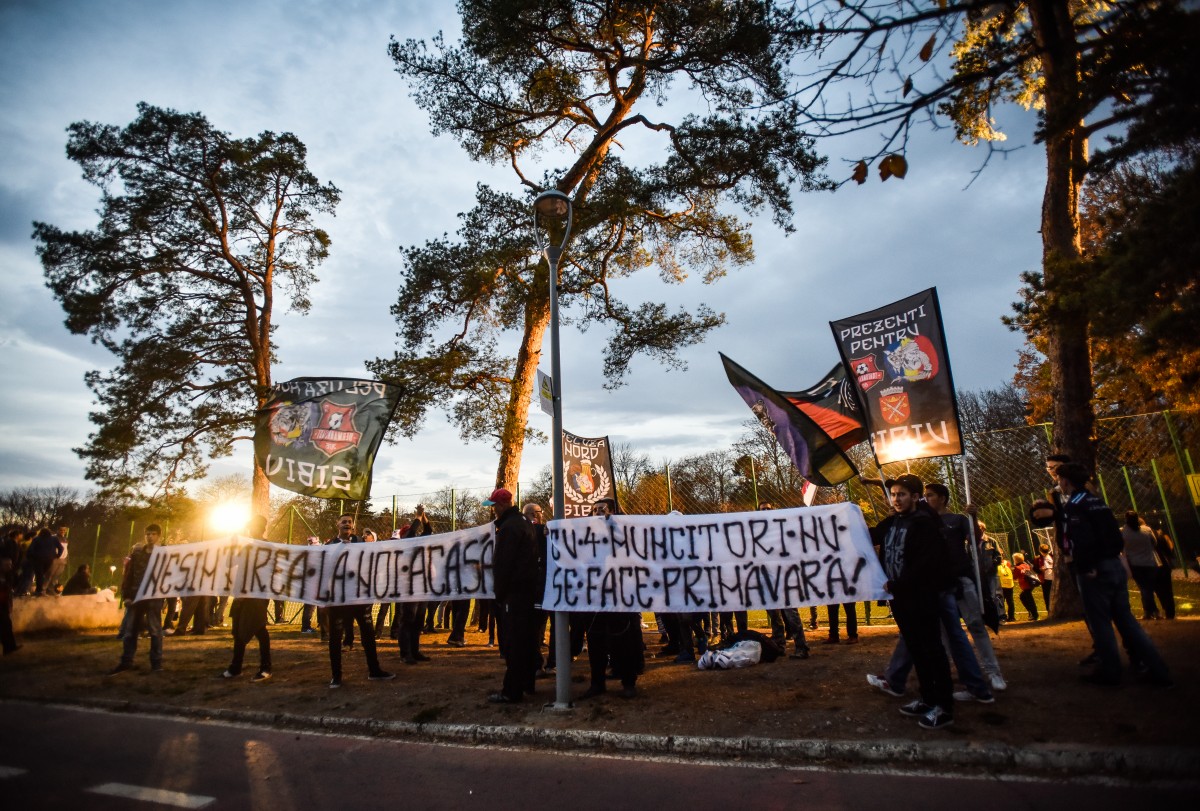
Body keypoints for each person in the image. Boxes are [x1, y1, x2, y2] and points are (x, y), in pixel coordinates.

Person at [1055, 462, 1171, 687]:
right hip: (1114, 564)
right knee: (1128, 622)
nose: (1059, 482)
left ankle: (1110, 672)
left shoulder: (1075, 505)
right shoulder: (1098, 502)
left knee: (1101, 623)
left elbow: (1083, 539)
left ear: (1066, 481)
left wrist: (1087, 565)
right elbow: (1117, 539)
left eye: (1060, 479)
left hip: (1096, 569)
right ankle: (1159, 671)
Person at [873, 474, 955, 730]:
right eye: (894, 494)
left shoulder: (924, 523)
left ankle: (943, 707)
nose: (896, 499)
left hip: (921, 597)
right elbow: (872, 534)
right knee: (917, 649)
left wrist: (898, 584)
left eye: (902, 494)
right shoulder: (896, 521)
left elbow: (925, 564)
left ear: (916, 497)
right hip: (901, 599)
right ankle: (927, 698)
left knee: (932, 650)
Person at [578, 498, 645, 700]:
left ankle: (628, 681)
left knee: (622, 640)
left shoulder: (624, 528)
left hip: (619, 595)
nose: (597, 513)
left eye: (602, 509)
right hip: (595, 595)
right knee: (595, 639)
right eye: (594, 510)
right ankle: (597, 683)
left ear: (613, 511)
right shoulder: (587, 531)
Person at [324, 513, 394, 687]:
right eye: (343, 522)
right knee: (335, 638)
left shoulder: (362, 545)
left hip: (359, 598)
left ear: (353, 526)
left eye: (350, 522)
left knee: (368, 635)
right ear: (337, 524)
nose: (347, 524)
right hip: (338, 600)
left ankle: (374, 670)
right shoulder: (329, 546)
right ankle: (336, 676)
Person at [485, 488, 540, 703]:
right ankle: (527, 683)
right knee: (527, 640)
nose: (493, 511)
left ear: (502, 505)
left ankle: (511, 690)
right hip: (526, 591)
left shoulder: (509, 528)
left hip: (514, 594)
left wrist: (499, 595)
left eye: (494, 506)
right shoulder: (524, 523)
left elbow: (504, 564)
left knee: (514, 642)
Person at [107, 525, 165, 675]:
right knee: (130, 631)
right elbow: (129, 574)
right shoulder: (137, 554)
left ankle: (156, 663)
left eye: (153, 534)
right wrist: (126, 595)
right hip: (135, 596)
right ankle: (126, 662)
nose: (150, 537)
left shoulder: (163, 555)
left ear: (158, 536)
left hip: (153, 597)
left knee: (155, 631)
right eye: (148, 534)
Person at [222, 515, 273, 682]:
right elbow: (230, 563)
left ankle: (265, 667)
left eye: (256, 527)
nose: (253, 530)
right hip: (242, 595)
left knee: (259, 629)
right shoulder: (245, 547)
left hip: (257, 595)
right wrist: (233, 544)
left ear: (262, 529)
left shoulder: (267, 547)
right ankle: (236, 667)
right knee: (238, 631)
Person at [1120, 512, 1164, 620]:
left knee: (1144, 588)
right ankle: (1151, 612)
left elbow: (1120, 546)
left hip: (1134, 563)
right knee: (1148, 587)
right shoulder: (1146, 530)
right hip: (1149, 562)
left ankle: (1150, 611)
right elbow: (1154, 543)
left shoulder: (1123, 532)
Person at [0, 528, 21, 654]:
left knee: (6, 625)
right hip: (1, 604)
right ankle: (9, 647)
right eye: (7, 565)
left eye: (10, 565)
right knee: (5, 625)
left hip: (3, 604)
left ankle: (9, 647)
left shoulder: (8, 576)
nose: (10, 567)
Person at [1011, 552, 1039, 621]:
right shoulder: (1026, 565)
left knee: (1029, 600)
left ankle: (1034, 614)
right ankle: (1031, 612)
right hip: (1030, 584)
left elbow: (1014, 577)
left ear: (1016, 560)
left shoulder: (1017, 568)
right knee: (1023, 597)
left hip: (1025, 585)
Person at [1033, 543, 1054, 613]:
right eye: (1043, 552)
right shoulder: (1038, 559)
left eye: (1046, 552)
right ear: (1040, 551)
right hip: (1045, 580)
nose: (1044, 553)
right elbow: (1035, 569)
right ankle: (1049, 610)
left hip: (1053, 578)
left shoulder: (1052, 556)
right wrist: (1040, 570)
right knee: (1047, 596)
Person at [997, 558, 1015, 622]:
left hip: (1001, 584)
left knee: (1001, 601)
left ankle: (1002, 616)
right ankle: (1012, 617)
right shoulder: (1007, 563)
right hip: (1009, 584)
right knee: (1010, 601)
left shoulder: (996, 565)